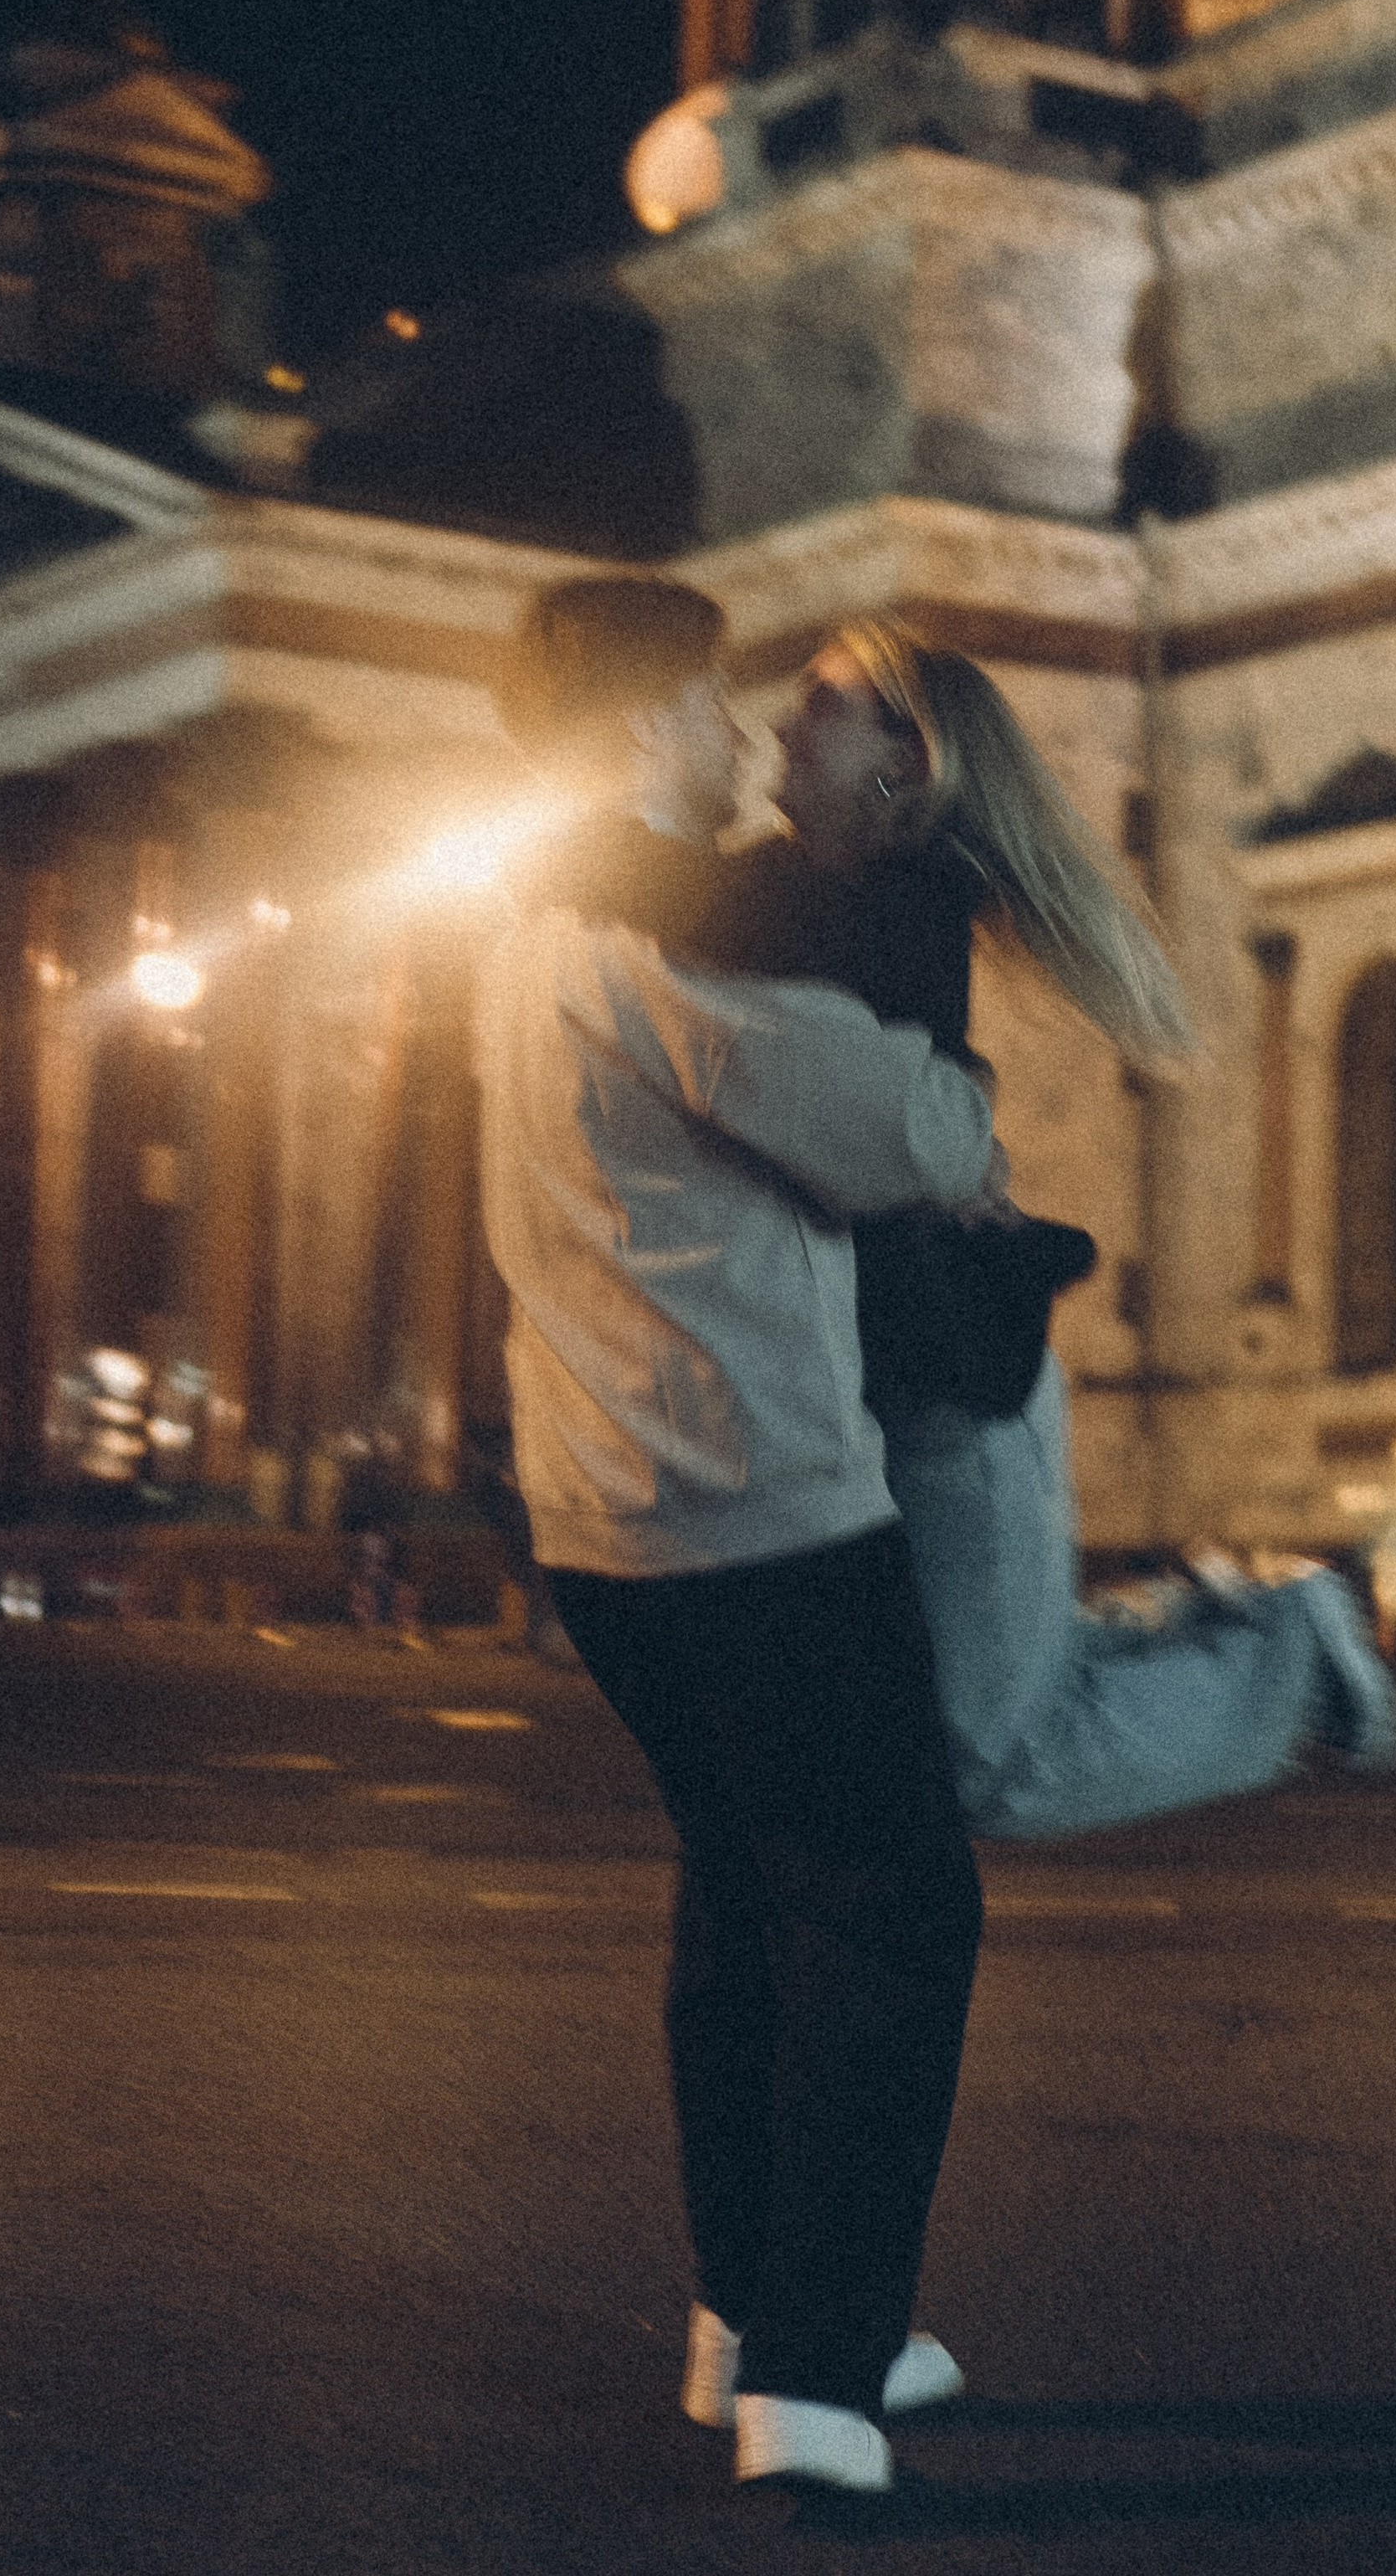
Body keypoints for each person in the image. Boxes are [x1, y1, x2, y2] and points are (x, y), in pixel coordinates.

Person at [474, 574, 998, 2498]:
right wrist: (948, 1081)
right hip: (757, 1504)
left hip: (598, 1518)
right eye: (707, 705)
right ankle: (816, 2381)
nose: (734, 739)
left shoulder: (524, 923)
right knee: (891, 1910)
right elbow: (907, 1137)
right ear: (637, 729)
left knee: (745, 1891)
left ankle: (745, 2316)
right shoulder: (661, 935)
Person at [679, 618, 1396, 1835]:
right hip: (882, 1391)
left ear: (901, 758)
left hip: (962, 1391)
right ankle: (1236, 1620)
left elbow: (697, 916)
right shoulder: (822, 896)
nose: (780, 720)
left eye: (821, 700)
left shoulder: (890, 911)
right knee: (967, 1721)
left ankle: (1295, 1654)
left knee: (983, 1761)